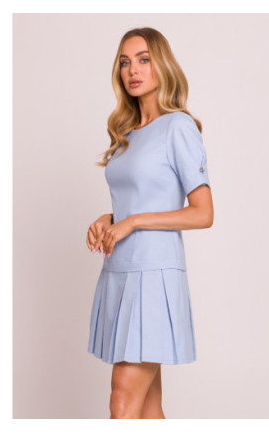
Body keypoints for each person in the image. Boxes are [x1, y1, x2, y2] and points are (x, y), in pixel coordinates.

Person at [86, 27, 214, 419]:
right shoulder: (126, 134)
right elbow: (138, 197)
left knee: (122, 398)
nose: (133, 70)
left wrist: (134, 222)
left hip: (153, 274)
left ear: (162, 64)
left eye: (143, 59)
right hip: (119, 270)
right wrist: (109, 220)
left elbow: (203, 213)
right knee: (147, 407)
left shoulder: (178, 126)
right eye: (125, 62)